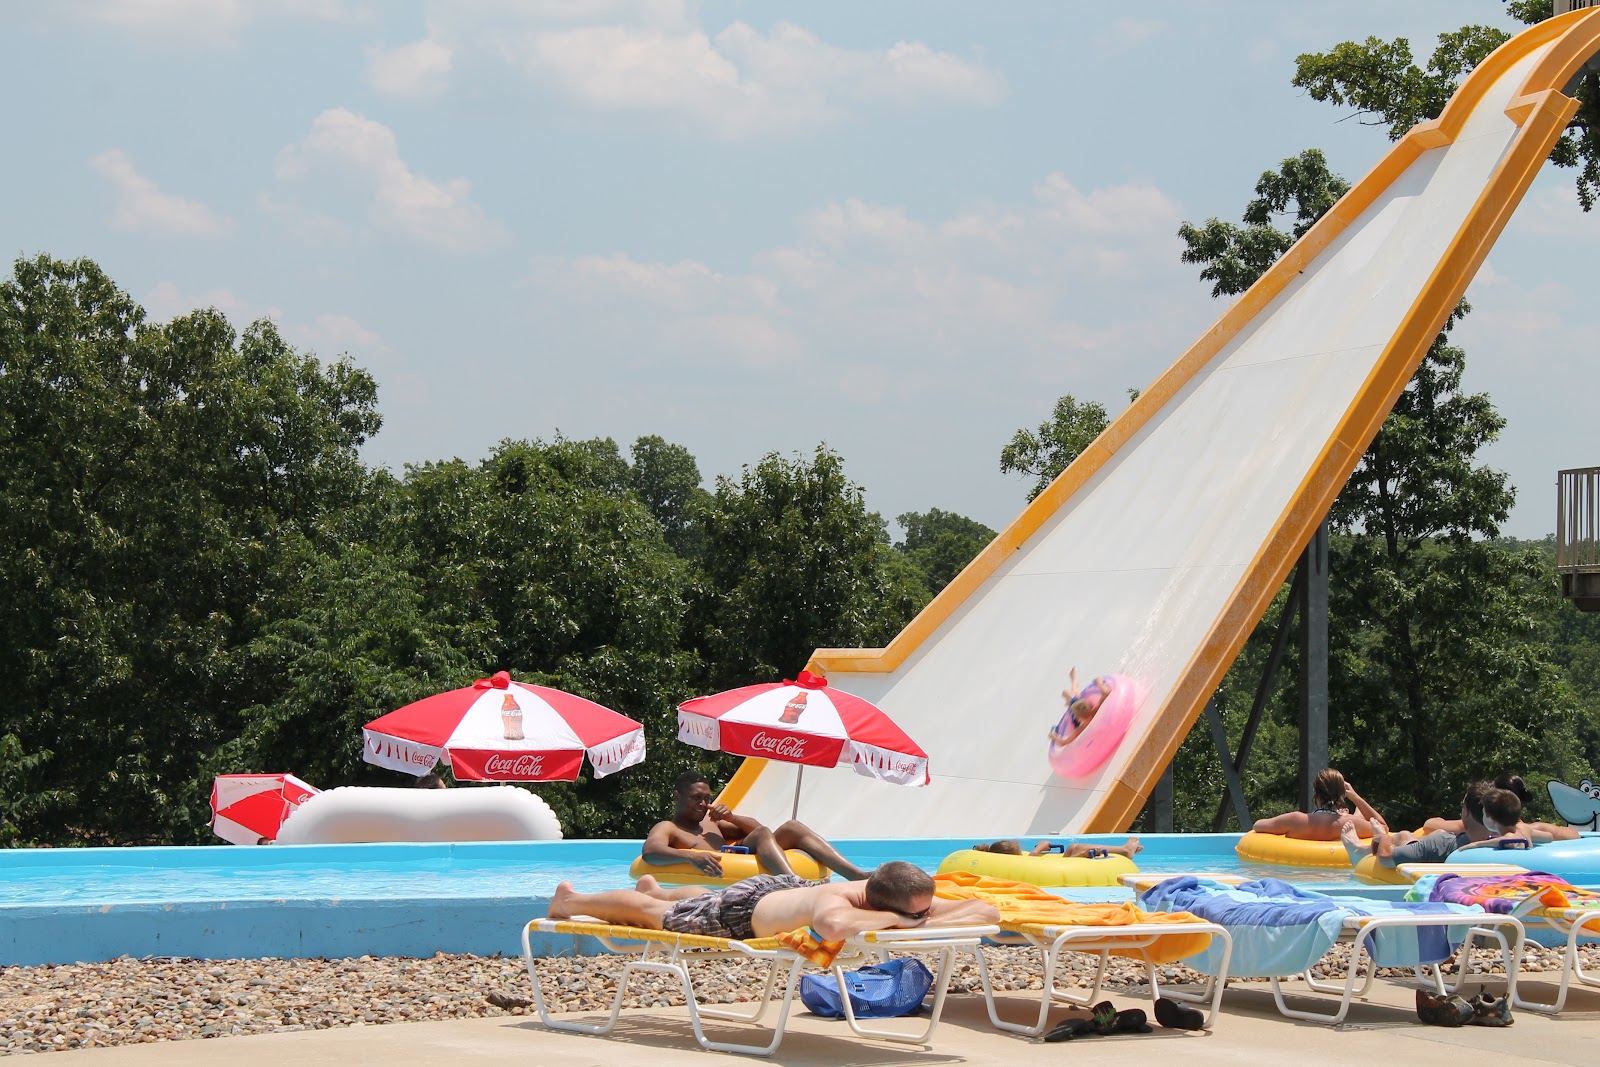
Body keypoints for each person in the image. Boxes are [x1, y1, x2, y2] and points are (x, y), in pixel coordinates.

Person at [548, 860, 1000, 941]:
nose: (925, 914)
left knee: (695, 900)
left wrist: (921, 920)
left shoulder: (895, 898)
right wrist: (906, 924)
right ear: (886, 904)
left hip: (780, 891)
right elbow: (833, 927)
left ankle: (658, 887)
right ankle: (570, 901)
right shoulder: (843, 906)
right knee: (658, 915)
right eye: (916, 912)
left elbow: (987, 910)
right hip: (740, 915)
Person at [641, 771, 872, 881]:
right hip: (719, 879)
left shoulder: (710, 823)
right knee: (764, 834)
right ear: (676, 796)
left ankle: (856, 875)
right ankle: (795, 884)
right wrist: (691, 857)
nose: (703, 804)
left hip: (737, 855)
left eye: (707, 798)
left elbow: (761, 831)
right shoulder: (668, 828)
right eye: (696, 798)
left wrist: (731, 817)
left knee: (792, 826)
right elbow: (650, 852)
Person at [1343, 781, 1486, 867]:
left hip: (1433, 851)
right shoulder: (1505, 840)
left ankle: (1360, 851)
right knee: (1412, 836)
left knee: (1404, 836)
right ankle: (1360, 850)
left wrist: (1382, 836)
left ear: (1466, 812)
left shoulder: (1442, 844)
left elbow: (1386, 857)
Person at [1250, 767, 1386, 841]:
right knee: (1359, 812)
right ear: (1342, 793)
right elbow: (1383, 829)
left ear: (1316, 791)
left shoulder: (1296, 820)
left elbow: (1258, 825)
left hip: (1300, 874)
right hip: (1338, 875)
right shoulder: (1350, 824)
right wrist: (1356, 798)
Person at [1049, 668, 1111, 748]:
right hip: (1083, 711)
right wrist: (1099, 683)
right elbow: (1106, 693)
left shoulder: (1080, 729)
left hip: (1078, 719)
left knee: (1073, 699)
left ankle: (1070, 691)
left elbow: (1064, 742)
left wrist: (1053, 736)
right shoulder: (1095, 710)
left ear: (1077, 717)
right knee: (1074, 698)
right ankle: (1070, 692)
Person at [973, 837, 1144, 860]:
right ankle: (1125, 850)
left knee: (1074, 846)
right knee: (1080, 849)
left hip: (1059, 862)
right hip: (1065, 864)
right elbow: (1033, 855)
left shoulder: (1018, 859)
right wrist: (1040, 846)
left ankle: (1123, 850)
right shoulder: (1021, 861)